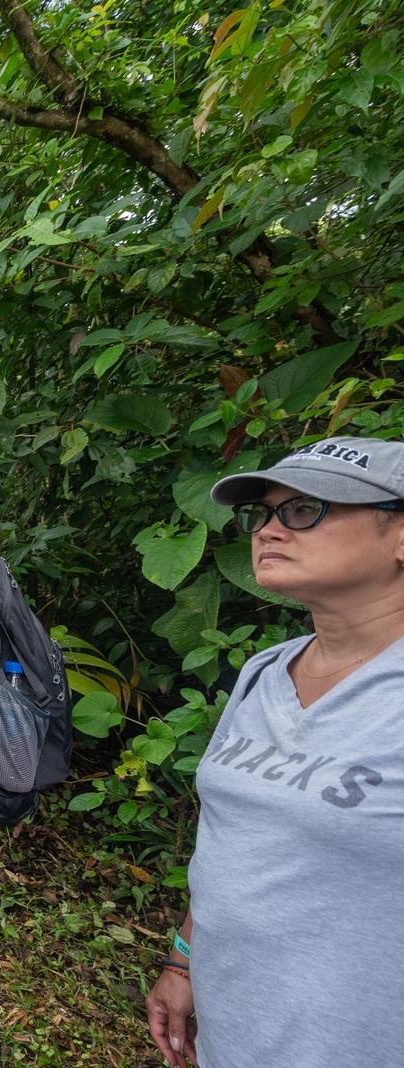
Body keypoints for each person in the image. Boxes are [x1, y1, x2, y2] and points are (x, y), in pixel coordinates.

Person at [145, 436, 404, 1068]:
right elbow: (239, 839)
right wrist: (184, 957)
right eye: (263, 513)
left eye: (305, 510)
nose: (268, 530)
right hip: (239, 1035)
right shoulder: (266, 671)